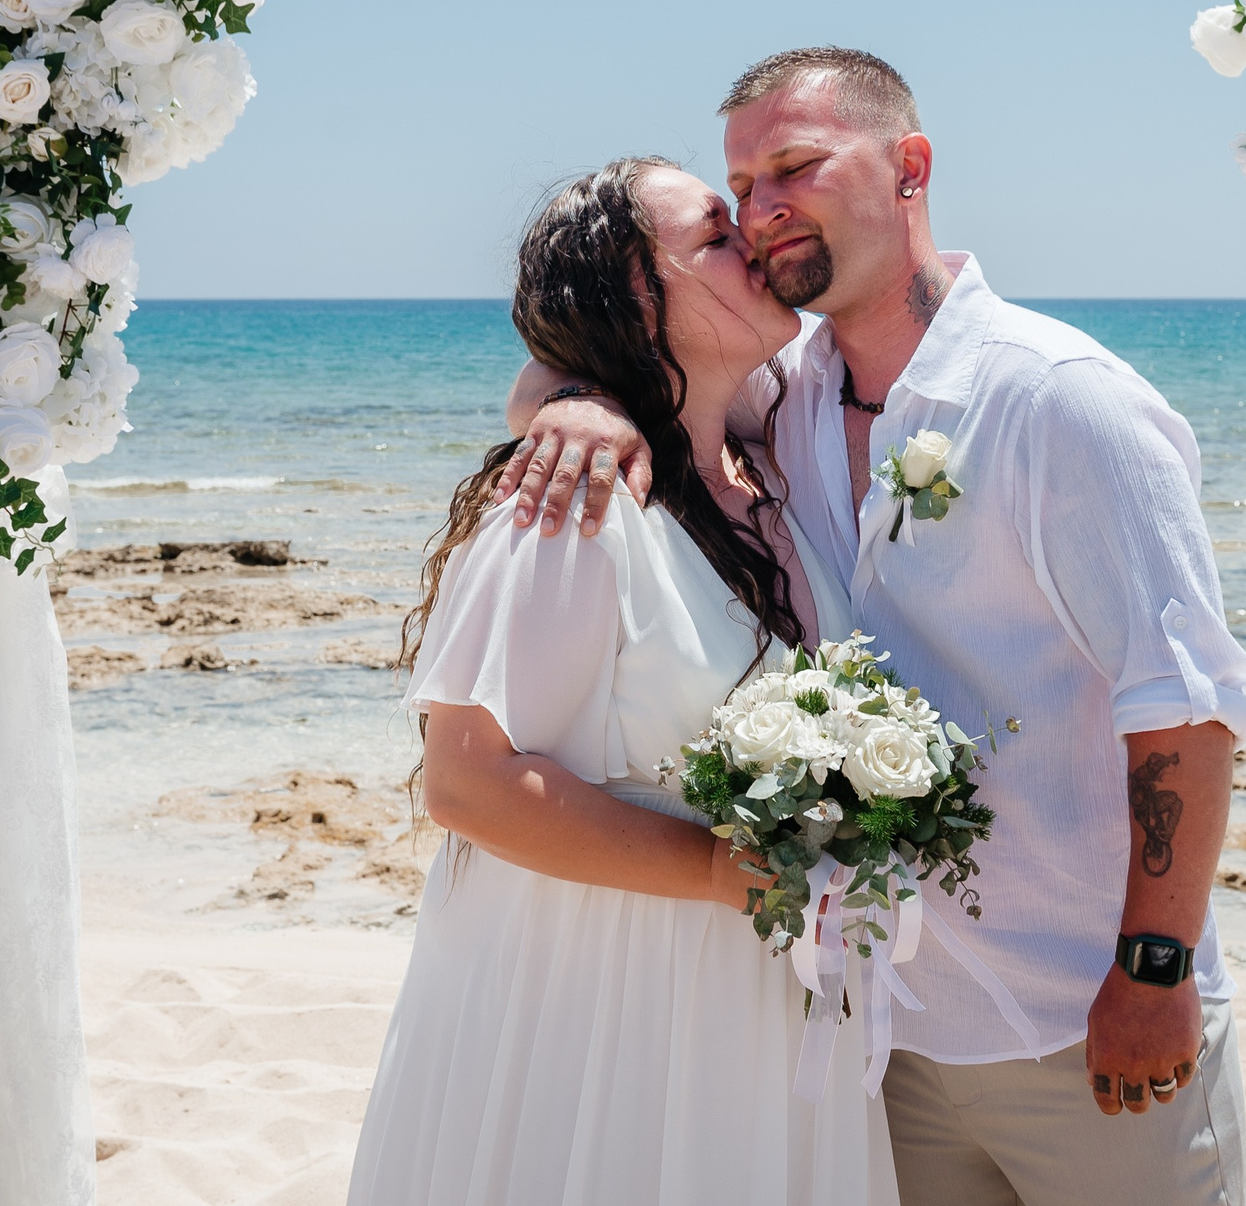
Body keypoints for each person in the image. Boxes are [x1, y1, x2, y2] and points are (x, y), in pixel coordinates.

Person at [503, 49, 1246, 1206]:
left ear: (908, 166)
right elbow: (636, 361)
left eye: (796, 167)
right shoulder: (782, 396)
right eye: (742, 185)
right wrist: (576, 401)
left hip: (1082, 1017)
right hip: (881, 1031)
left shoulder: (1060, 400)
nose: (761, 212)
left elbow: (1186, 704)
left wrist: (1152, 969)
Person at [345, 157, 897, 1206]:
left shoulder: (767, 463)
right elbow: (468, 786)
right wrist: (716, 873)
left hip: (755, 1001)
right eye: (716, 236)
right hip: (601, 1006)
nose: (757, 247)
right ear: (639, 297)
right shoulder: (572, 505)